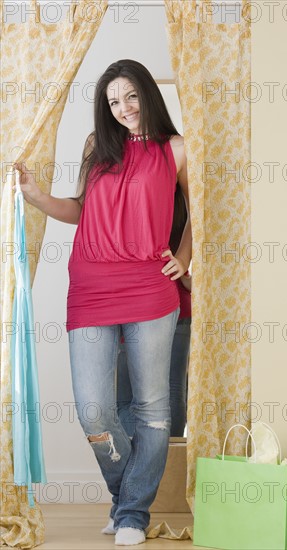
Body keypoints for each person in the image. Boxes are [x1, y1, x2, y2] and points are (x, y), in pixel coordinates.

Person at [13, 59, 191, 546]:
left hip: (151, 287)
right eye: (114, 101)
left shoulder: (176, 150)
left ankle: (131, 512)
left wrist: (184, 256)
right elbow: (79, 209)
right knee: (94, 409)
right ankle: (126, 498)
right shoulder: (97, 147)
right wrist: (35, 196)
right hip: (90, 287)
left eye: (131, 96)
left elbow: (200, 209)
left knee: (152, 406)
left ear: (147, 95)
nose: (124, 108)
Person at [117, 183, 192, 438]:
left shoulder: (137, 204)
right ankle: (163, 462)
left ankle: (147, 462)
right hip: (172, 306)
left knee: (127, 398)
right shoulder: (182, 203)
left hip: (138, 306)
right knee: (171, 390)